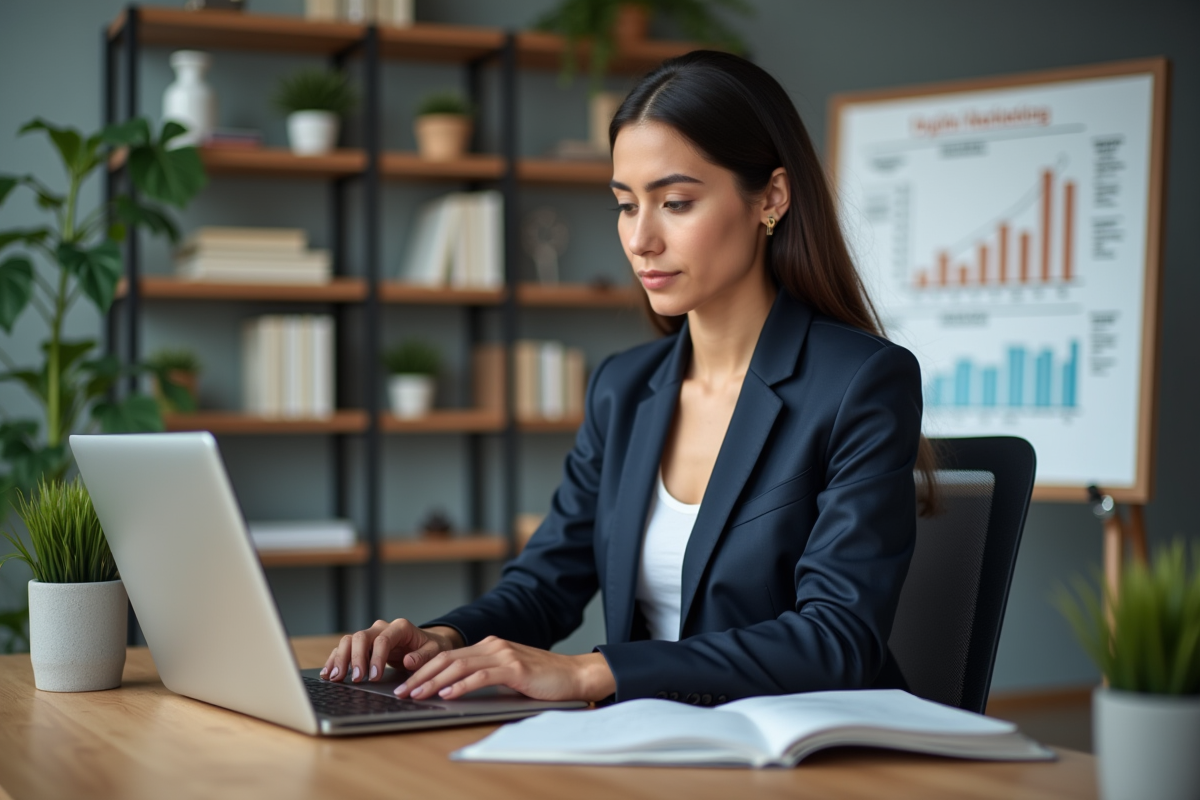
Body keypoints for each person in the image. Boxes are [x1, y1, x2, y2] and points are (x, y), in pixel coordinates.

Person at [321, 50, 936, 706]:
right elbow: (546, 584)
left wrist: (592, 672)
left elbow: (836, 639)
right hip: (659, 740)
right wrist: (445, 638)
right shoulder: (624, 387)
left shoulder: (861, 382)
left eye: (675, 202)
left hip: (805, 749)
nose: (640, 239)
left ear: (772, 198)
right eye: (624, 204)